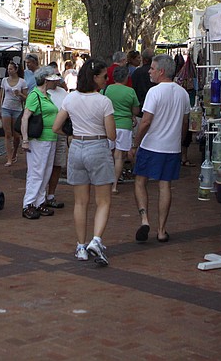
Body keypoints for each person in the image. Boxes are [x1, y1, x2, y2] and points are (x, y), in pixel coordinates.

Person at [53, 59, 116, 266]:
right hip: (97, 146)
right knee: (103, 200)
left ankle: (81, 245)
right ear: (95, 78)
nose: (107, 79)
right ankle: (96, 240)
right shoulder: (103, 101)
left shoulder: (70, 99)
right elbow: (111, 134)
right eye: (105, 76)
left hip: (77, 147)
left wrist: (70, 134)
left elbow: (56, 127)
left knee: (80, 202)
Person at [128, 54, 189, 243]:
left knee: (140, 181)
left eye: (152, 69)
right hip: (171, 147)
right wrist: (179, 140)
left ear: (161, 71)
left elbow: (145, 121)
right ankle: (162, 230)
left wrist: (136, 143)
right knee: (165, 186)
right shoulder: (183, 93)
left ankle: (145, 219)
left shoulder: (154, 92)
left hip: (151, 144)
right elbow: (185, 122)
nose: (149, 71)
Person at [20, 66, 60, 219]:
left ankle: (39, 202)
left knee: (45, 171)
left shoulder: (46, 95)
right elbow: (25, 118)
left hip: (49, 138)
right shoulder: (34, 95)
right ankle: (28, 203)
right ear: (45, 80)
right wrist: (25, 140)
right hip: (39, 139)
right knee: (37, 172)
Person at [103, 65, 139, 194]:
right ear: (126, 77)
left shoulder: (107, 89)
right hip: (125, 126)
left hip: (109, 124)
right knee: (119, 157)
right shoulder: (130, 91)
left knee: (108, 154)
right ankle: (114, 185)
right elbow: (136, 110)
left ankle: (105, 182)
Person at [45, 73, 69, 209]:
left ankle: (51, 195)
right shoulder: (41, 93)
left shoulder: (63, 92)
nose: (55, 82)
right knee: (44, 164)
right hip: (46, 133)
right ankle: (41, 196)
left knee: (57, 164)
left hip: (60, 131)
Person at [0, 61, 27, 166]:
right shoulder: (4, 80)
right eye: (8, 69)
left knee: (16, 135)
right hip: (6, 107)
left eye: (11, 69)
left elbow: (26, 98)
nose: (8, 71)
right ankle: (9, 157)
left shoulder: (22, 82)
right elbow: (1, 96)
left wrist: (19, 94)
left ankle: (14, 152)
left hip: (17, 109)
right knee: (7, 134)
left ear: (15, 70)